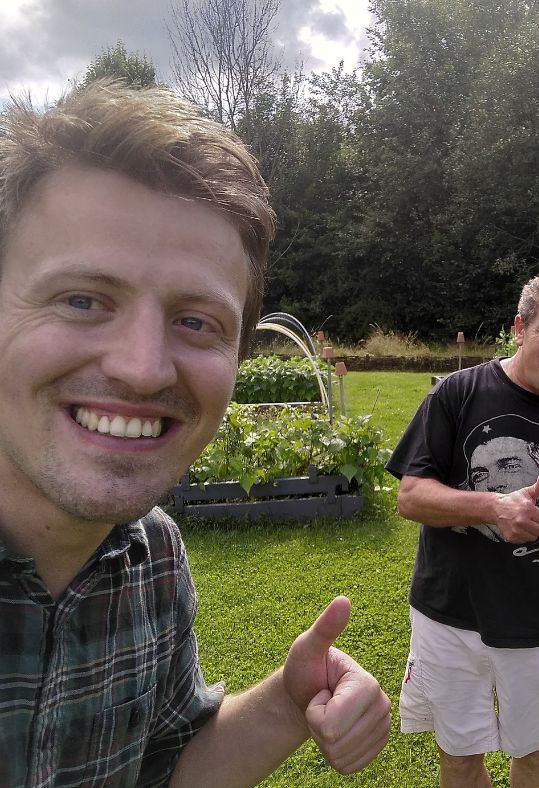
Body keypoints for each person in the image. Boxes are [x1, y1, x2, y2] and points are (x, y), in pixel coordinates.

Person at [0, 80, 390, 788]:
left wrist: (286, 706)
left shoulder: (150, 559)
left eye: (195, 322)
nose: (144, 370)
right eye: (83, 299)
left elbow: (165, 771)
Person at [387, 269, 539, 787]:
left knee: (536, 755)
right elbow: (411, 496)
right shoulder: (458, 394)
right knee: (461, 756)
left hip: (537, 619)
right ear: (519, 327)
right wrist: (493, 508)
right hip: (450, 614)